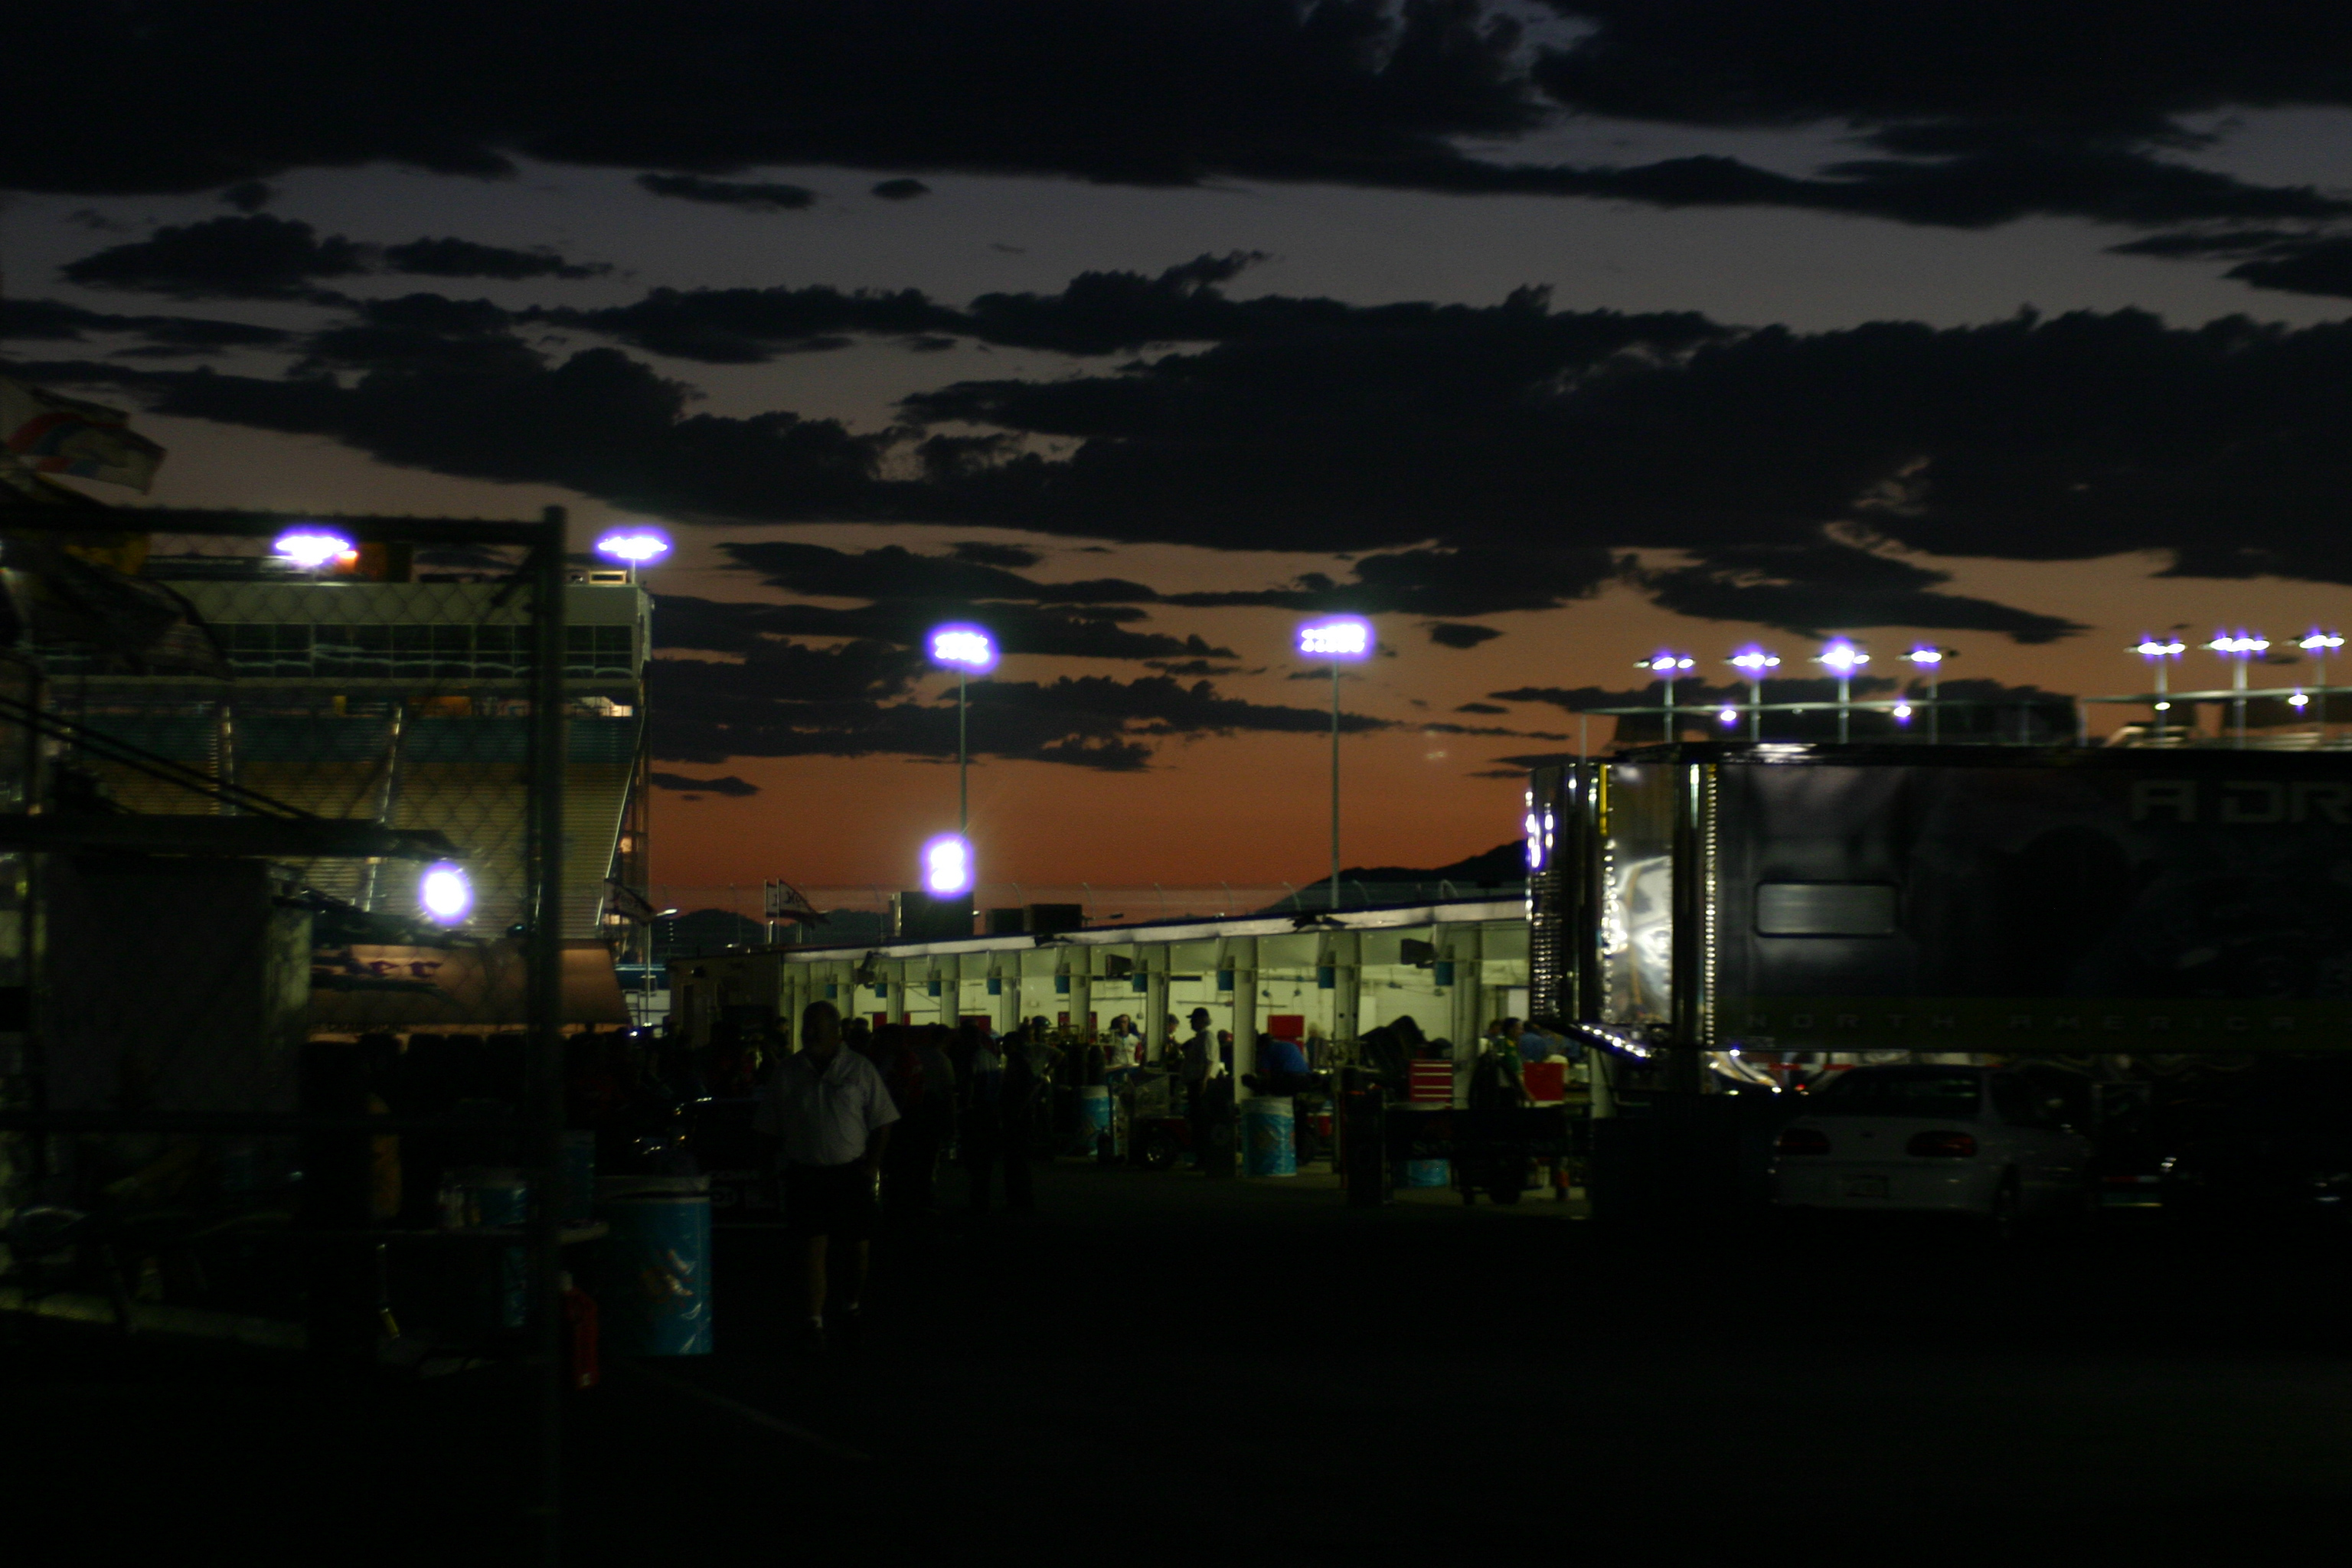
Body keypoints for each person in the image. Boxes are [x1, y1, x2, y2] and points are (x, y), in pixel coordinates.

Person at [753, 1000, 898, 1351]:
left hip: (850, 1174)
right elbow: (767, 1130)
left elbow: (883, 1121)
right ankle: (814, 1321)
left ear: (836, 1031)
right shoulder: (788, 1072)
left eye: (817, 1025)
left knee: (857, 1249)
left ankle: (851, 1306)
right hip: (806, 1174)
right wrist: (767, 1176)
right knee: (812, 1249)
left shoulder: (859, 1069)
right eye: (807, 1024)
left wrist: (872, 1166)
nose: (810, 1032)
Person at [1178, 1008, 1214, 1162]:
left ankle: (1204, 1159)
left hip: (1201, 1084)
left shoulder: (1207, 1037)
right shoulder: (1200, 1037)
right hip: (1196, 1083)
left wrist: (1204, 1081)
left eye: (1193, 1019)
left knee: (1201, 1123)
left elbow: (1209, 1060)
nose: (1191, 1022)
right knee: (1196, 1121)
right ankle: (1200, 1158)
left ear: (1202, 1020)